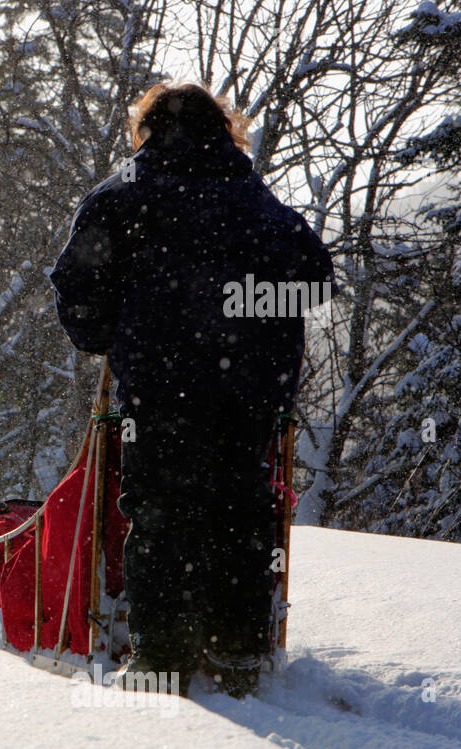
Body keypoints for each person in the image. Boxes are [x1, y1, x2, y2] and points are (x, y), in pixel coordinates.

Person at [49, 82, 335, 697]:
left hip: (164, 380)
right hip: (252, 385)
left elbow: (77, 284)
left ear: (147, 129)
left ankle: (164, 658)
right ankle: (237, 651)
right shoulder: (253, 196)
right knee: (241, 504)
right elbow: (314, 278)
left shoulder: (124, 193)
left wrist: (107, 332)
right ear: (223, 129)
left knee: (162, 508)